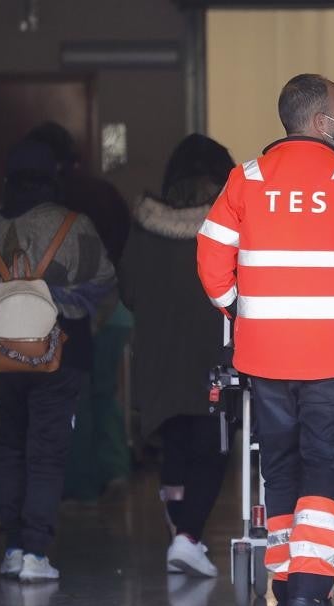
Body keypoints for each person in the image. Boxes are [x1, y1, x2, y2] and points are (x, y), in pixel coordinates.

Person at [198, 73, 334, 606]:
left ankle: (286, 583)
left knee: (281, 465)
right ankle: (309, 596)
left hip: (264, 355)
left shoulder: (244, 179)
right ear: (321, 122)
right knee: (324, 465)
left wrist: (237, 309)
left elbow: (211, 254)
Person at [0, 138, 116, 583]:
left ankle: (11, 546)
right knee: (47, 452)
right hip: (60, 355)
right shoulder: (74, 224)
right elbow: (104, 282)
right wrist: (63, 299)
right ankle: (36, 552)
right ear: (53, 180)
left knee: (7, 448)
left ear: (7, 180)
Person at [121, 134, 237, 576]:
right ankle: (188, 537)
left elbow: (129, 291)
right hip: (214, 355)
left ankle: (181, 532)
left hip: (158, 355)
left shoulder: (144, 226)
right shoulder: (228, 228)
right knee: (212, 446)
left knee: (174, 442)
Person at [26, 121, 134, 500]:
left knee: (74, 397)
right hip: (114, 306)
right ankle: (116, 469)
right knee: (105, 394)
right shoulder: (104, 192)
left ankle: (81, 483)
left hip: (70, 309)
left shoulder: (50, 201)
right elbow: (125, 245)